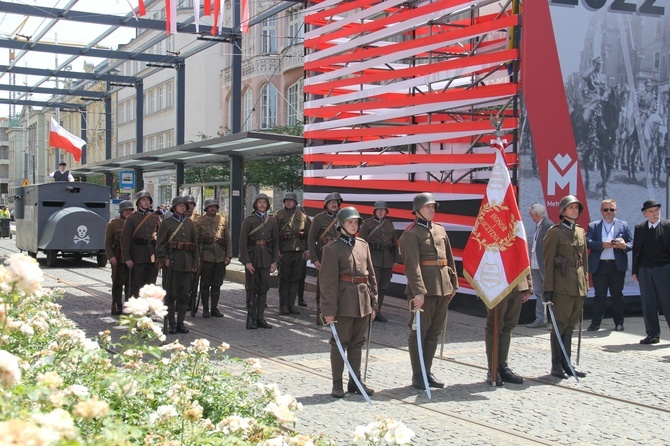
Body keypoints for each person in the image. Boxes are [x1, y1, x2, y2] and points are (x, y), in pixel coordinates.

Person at [400, 192, 458, 390]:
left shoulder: (440, 230)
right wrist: (418, 291)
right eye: (427, 207)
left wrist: (453, 283)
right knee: (419, 332)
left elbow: (449, 259)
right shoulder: (411, 234)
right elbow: (412, 265)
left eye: (433, 207)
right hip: (424, 290)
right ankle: (418, 375)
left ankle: (427, 371)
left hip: (442, 287)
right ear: (417, 211)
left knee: (434, 332)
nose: (431, 210)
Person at [320, 207, 378, 398]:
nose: (354, 225)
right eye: (349, 222)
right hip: (343, 302)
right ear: (341, 225)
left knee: (357, 343)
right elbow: (328, 283)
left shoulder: (363, 245)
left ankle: (355, 380)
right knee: (339, 342)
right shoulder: (332, 249)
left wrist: (374, 302)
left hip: (363, 301)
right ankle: (337, 383)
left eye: (356, 222)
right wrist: (328, 310)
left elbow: (371, 276)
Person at [542, 195, 588, 379]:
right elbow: (548, 262)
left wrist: (584, 283)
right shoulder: (555, 232)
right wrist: (548, 289)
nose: (574, 211)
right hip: (561, 286)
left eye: (576, 208)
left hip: (577, 286)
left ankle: (568, 363)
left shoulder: (580, 231)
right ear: (562, 211)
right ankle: (556, 365)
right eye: (571, 208)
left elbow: (583, 261)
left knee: (570, 326)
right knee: (559, 325)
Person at [586, 199, 633, 332]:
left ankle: (619, 323)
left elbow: (631, 243)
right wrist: (601, 245)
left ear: (615, 210)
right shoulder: (593, 226)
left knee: (617, 295)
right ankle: (595, 323)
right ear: (601, 211)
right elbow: (587, 241)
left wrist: (623, 246)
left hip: (616, 265)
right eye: (606, 209)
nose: (609, 212)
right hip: (600, 265)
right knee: (599, 295)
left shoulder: (623, 225)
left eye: (611, 209)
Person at [156, 196, 200, 334]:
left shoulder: (189, 223)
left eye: (184, 206)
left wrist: (195, 262)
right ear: (174, 207)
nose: (182, 207)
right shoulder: (167, 223)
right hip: (172, 263)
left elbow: (195, 245)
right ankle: (172, 322)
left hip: (186, 264)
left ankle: (181, 322)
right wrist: (164, 259)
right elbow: (160, 244)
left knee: (184, 295)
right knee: (170, 295)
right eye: (179, 205)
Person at [631, 199, 670, 345]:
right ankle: (653, 333)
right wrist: (635, 270)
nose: (655, 214)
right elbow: (636, 251)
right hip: (644, 270)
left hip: (664, 269)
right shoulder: (640, 228)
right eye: (651, 211)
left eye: (656, 211)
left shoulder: (667, 226)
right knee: (648, 302)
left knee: (667, 302)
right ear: (645, 214)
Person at [239, 193, 278, 329]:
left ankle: (261, 317)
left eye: (264, 202)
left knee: (263, 289)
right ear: (255, 204)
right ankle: (252, 318)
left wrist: (274, 262)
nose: (262, 204)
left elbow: (275, 243)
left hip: (266, 258)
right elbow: (243, 243)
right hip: (253, 257)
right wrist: (247, 262)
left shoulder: (272, 221)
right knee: (252, 289)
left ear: (268, 205)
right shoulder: (249, 221)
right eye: (259, 202)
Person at [485, 275, 533, 386]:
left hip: (517, 282)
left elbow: (524, 260)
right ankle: (493, 370)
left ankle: (503, 367)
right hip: (497, 282)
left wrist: (528, 286)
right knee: (494, 326)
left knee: (508, 325)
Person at [359, 200, 399, 322]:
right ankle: (368, 310)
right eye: (379, 210)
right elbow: (361, 243)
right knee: (372, 287)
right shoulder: (367, 224)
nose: (381, 212)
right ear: (374, 211)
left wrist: (395, 259)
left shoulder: (389, 224)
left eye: (383, 210)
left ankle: (377, 311)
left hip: (387, 260)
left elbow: (394, 243)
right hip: (373, 260)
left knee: (382, 288)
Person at [308, 192, 343, 324]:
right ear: (326, 205)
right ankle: (321, 316)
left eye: (336, 202)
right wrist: (315, 259)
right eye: (331, 202)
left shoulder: (343, 217)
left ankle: (336, 316)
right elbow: (311, 240)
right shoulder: (319, 218)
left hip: (340, 256)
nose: (334, 204)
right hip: (324, 256)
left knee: (339, 286)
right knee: (323, 287)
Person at [195, 199, 232, 318]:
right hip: (205, 256)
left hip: (220, 257)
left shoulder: (222, 220)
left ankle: (214, 308)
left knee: (217, 284)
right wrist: (196, 258)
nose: (213, 209)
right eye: (210, 207)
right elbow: (195, 241)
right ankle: (205, 309)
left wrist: (228, 255)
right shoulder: (199, 221)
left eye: (214, 207)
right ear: (206, 208)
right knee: (205, 284)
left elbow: (228, 239)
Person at [275, 192, 311, 315]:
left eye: (291, 200)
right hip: (284, 251)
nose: (289, 202)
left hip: (298, 251)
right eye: (287, 200)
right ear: (284, 202)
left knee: (295, 279)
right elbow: (274, 235)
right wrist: (277, 250)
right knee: (284, 278)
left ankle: (291, 305)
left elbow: (308, 234)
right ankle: (283, 306)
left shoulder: (302, 216)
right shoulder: (279, 215)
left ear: (295, 203)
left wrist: (307, 250)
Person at [120, 190, 161, 298]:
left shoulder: (155, 217)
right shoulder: (131, 218)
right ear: (138, 202)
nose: (146, 202)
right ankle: (139, 309)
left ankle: (149, 309)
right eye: (143, 200)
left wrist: (160, 257)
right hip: (137, 256)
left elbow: (161, 238)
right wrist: (127, 258)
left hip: (152, 256)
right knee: (138, 285)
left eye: (148, 200)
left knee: (151, 284)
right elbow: (124, 239)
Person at [104, 200, 134, 315]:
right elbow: (107, 242)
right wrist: (111, 257)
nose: (128, 212)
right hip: (117, 257)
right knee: (117, 283)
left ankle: (128, 305)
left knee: (130, 283)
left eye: (130, 210)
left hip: (131, 257)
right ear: (121, 211)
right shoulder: (113, 224)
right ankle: (117, 304)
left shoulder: (134, 223)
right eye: (126, 210)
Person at [527, 203, 554, 328]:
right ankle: (540, 319)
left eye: (531, 213)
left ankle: (552, 320)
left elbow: (551, 248)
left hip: (544, 265)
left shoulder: (549, 226)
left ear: (536, 214)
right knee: (538, 292)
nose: (530, 215)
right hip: (535, 265)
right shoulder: (538, 226)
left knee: (550, 293)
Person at [295, 204, 311, 307]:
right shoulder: (283, 217)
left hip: (301, 252)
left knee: (301, 277)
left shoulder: (305, 221)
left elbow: (308, 236)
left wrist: (307, 250)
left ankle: (300, 298)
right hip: (287, 251)